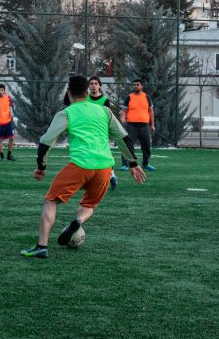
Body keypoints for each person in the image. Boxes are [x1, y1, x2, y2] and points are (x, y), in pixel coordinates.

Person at [21, 75, 146, 259]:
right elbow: (123, 138)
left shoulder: (67, 112)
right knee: (89, 206)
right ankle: (77, 221)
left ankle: (41, 246)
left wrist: (41, 166)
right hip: (105, 168)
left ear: (69, 93)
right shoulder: (104, 111)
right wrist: (133, 163)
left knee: (51, 201)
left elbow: (46, 141)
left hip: (80, 166)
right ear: (87, 92)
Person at [64, 75, 119, 190]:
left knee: (103, 153)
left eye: (95, 83)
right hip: (85, 130)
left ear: (99, 86)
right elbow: (68, 103)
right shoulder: (84, 98)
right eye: (91, 84)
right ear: (88, 87)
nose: (93, 86)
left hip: (99, 131)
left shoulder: (104, 101)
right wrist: (69, 90)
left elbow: (108, 117)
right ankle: (87, 178)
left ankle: (111, 175)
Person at [120, 78, 156, 171]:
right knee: (127, 145)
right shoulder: (129, 97)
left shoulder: (147, 97)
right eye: (134, 85)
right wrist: (123, 118)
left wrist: (152, 124)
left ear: (141, 86)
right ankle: (125, 164)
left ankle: (145, 164)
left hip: (145, 126)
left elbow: (151, 112)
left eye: (137, 85)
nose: (135, 86)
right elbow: (124, 110)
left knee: (147, 146)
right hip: (131, 126)